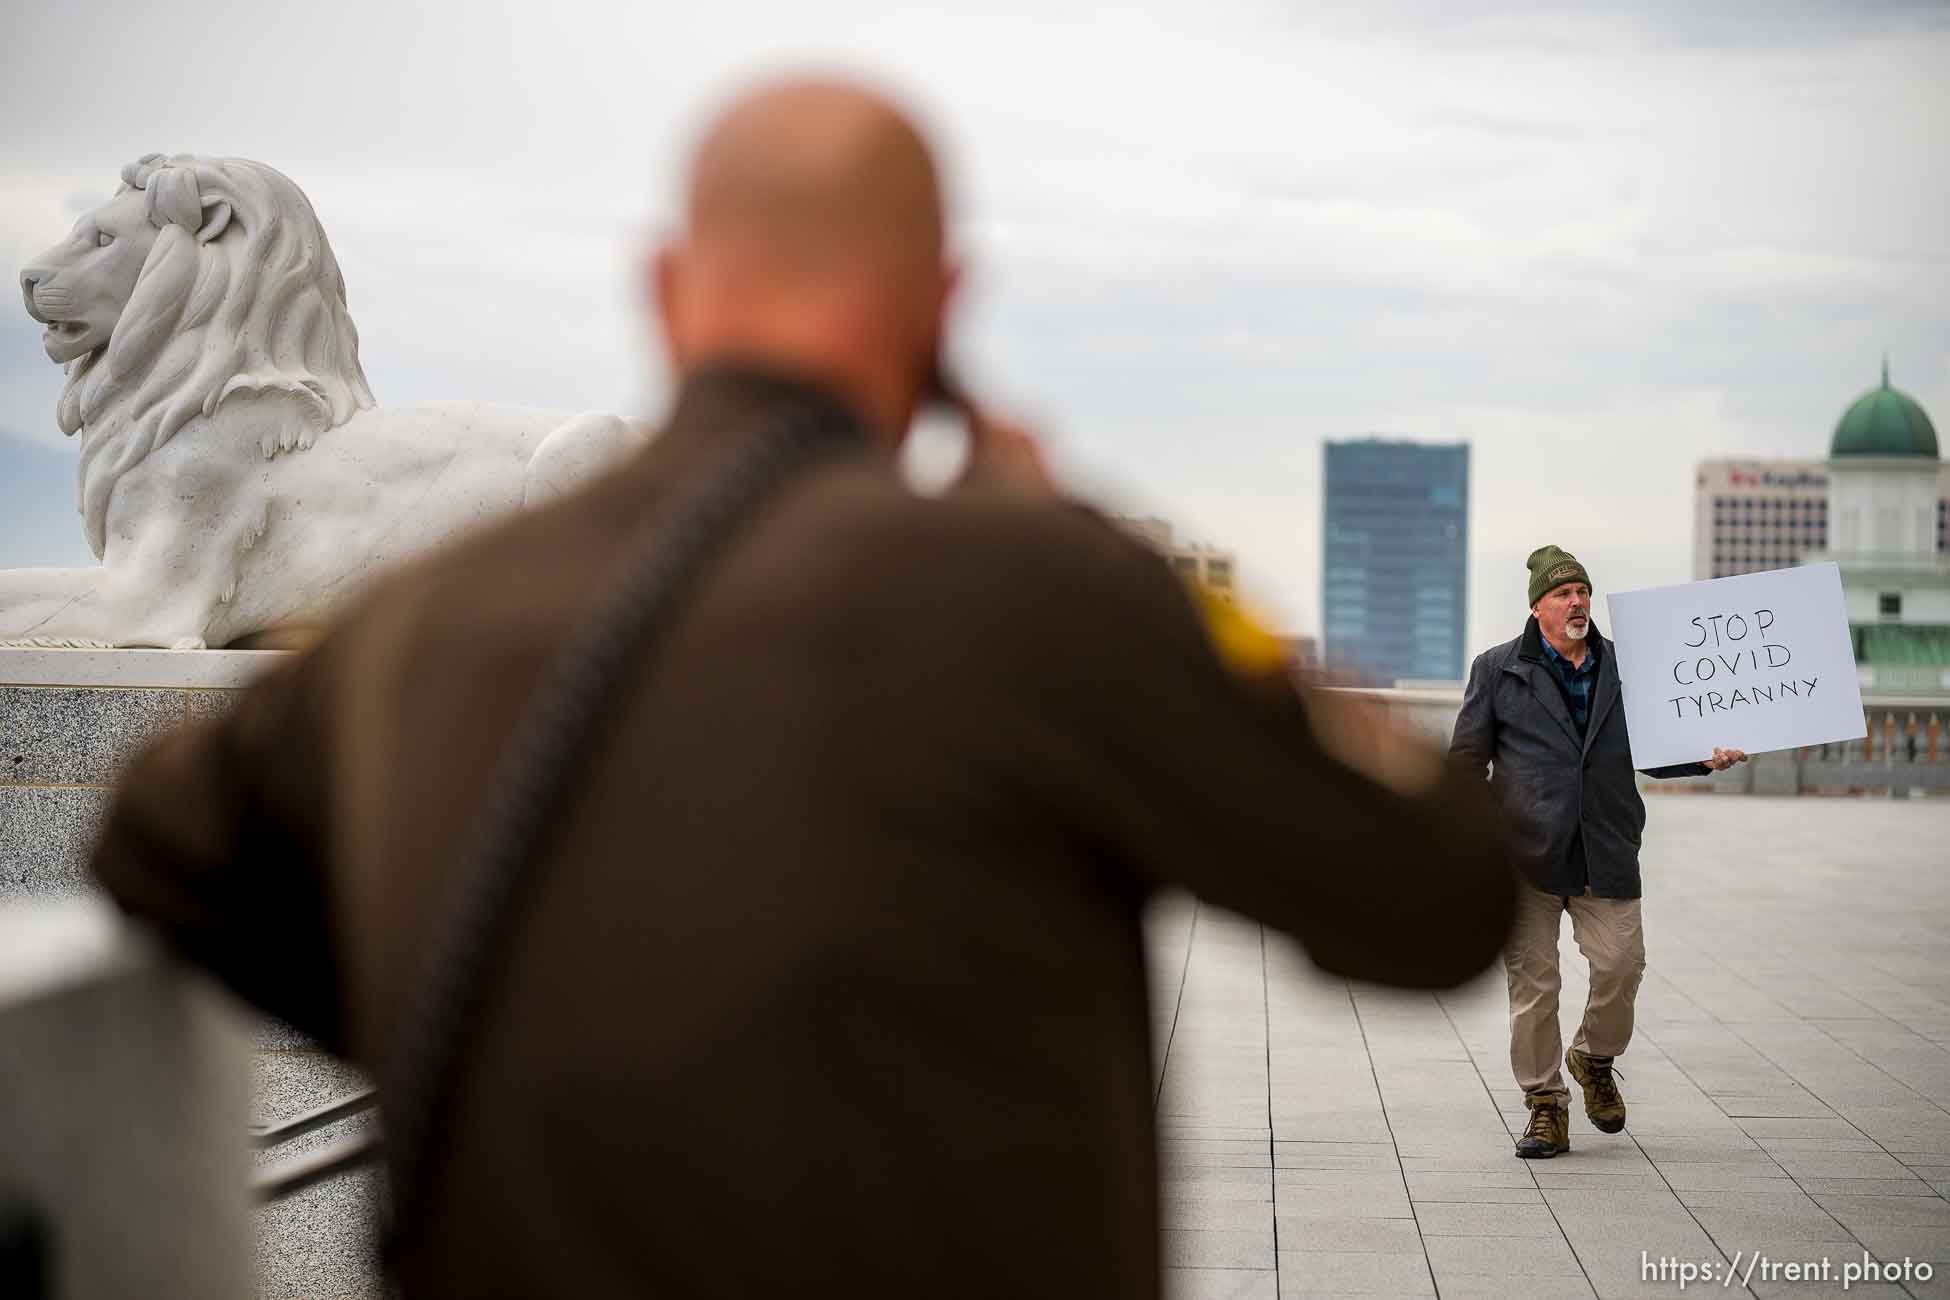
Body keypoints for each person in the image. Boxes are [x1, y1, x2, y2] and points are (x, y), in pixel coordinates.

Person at [90, 77, 1515, 1297]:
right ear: (945, 307)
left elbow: (154, 841)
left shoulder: (424, 617)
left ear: (665, 290)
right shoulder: (1043, 588)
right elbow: (1439, 893)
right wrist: (1135, 569)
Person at [1450, 545, 1747, 1159]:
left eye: (1583, 591)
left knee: (1621, 965)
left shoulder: (1626, 666)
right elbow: (1464, 763)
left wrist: (1704, 756)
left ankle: (1593, 1057)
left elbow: (1657, 744)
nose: (1577, 601)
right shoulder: (1497, 669)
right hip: (1525, 856)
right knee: (1534, 985)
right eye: (1563, 593)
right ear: (1538, 608)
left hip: (1605, 845)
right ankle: (1544, 1106)